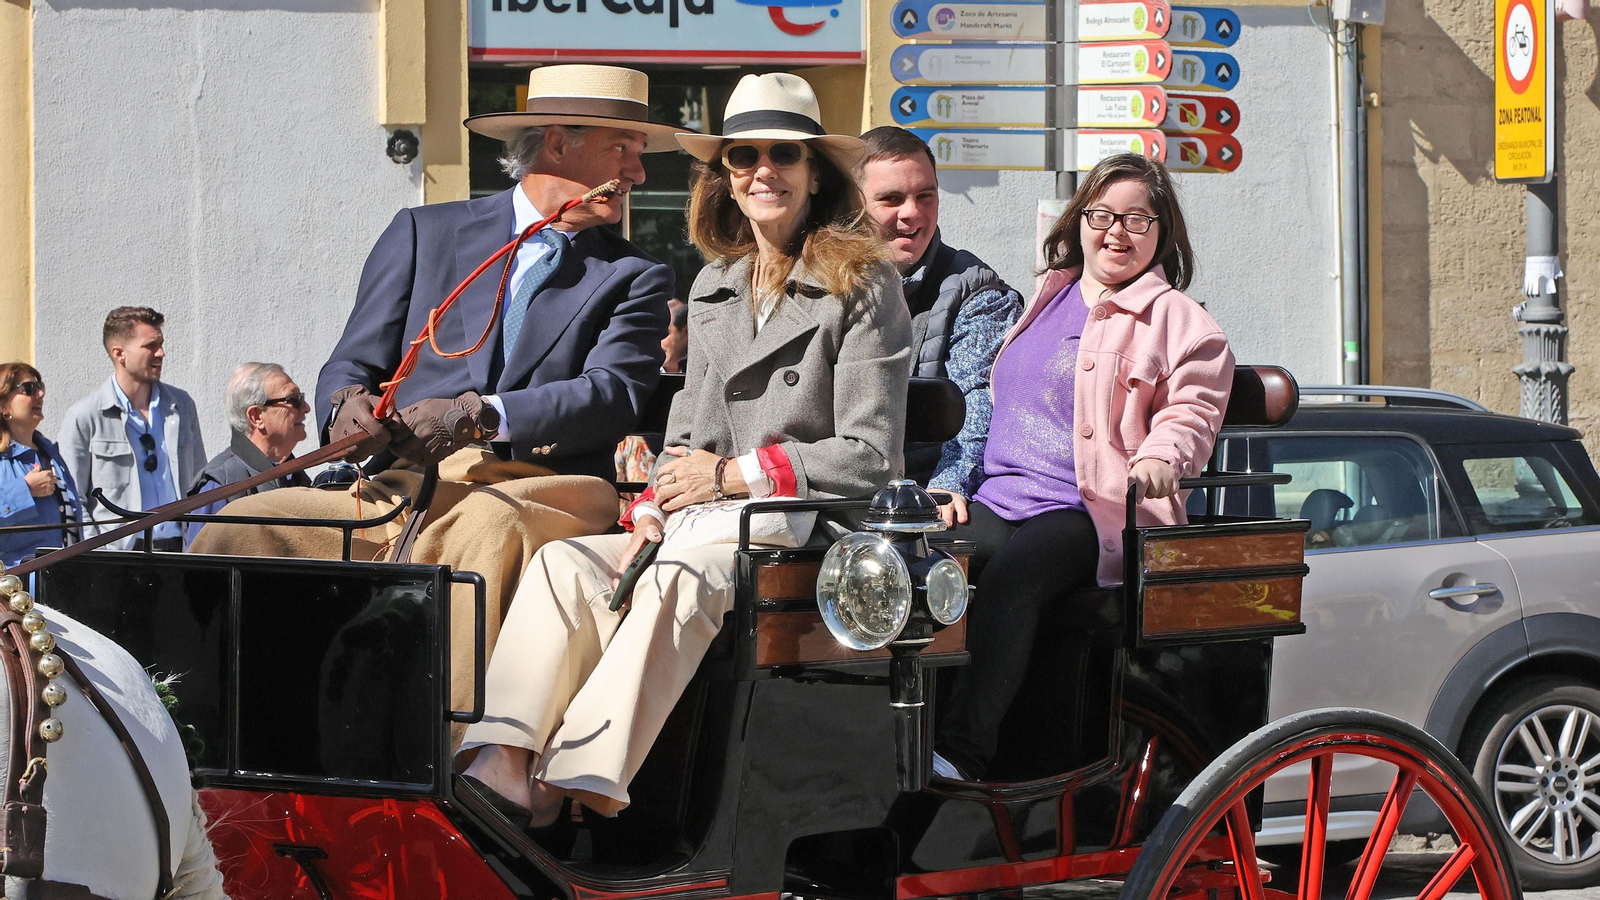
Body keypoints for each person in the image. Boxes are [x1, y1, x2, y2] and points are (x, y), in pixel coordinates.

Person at [458, 73, 911, 827]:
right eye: (742, 156)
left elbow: (870, 457)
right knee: (564, 564)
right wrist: (648, 503)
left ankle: (573, 783)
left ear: (813, 173)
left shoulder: (864, 284)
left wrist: (731, 474)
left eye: (783, 155)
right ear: (724, 178)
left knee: (682, 574)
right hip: (709, 521)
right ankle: (501, 761)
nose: (762, 171)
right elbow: (687, 438)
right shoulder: (714, 286)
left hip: (804, 528)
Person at [189, 64, 683, 722]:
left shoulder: (634, 273)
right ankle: (227, 748)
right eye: (623, 150)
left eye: (639, 155)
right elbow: (350, 361)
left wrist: (482, 416)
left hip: (544, 483)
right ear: (559, 143)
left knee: (486, 526)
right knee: (240, 529)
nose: (638, 174)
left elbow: (613, 394)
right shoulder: (425, 232)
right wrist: (347, 409)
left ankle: (444, 768)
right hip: (403, 486)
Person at [932, 153, 1234, 783]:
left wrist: (1159, 456)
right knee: (924, 562)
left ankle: (961, 754)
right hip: (1005, 497)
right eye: (1102, 215)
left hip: (1092, 508)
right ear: (1080, 221)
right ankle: (906, 732)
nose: (1116, 232)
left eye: (1136, 220)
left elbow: (1193, 409)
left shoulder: (1181, 320)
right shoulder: (1050, 294)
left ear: (1161, 233)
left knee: (1016, 578)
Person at [855, 126, 1023, 508]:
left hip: (918, 496)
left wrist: (947, 488)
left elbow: (977, 402)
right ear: (854, 205)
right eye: (891, 199)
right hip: (828, 494)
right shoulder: (821, 283)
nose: (912, 213)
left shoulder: (976, 291)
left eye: (925, 196)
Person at [58, 307, 206, 552]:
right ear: (120, 354)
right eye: (150, 346)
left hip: (181, 549)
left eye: (161, 343)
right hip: (119, 556)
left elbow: (199, 482)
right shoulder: (84, 416)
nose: (161, 353)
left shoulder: (181, 405)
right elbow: (74, 499)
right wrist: (97, 554)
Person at [182, 363, 312, 546]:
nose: (306, 408)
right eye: (293, 400)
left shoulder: (295, 476)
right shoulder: (220, 485)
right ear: (257, 416)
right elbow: (200, 566)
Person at [0, 364, 83, 567]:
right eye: (29, 389)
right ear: (3, 405)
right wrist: (25, 490)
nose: (40, 394)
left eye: (40, 386)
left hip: (60, 579)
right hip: (15, 587)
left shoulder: (49, 453)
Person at [662, 298, 688, 374]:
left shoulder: (701, 371)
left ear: (685, 331)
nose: (656, 341)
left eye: (664, 333)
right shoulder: (641, 372)